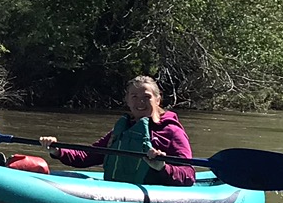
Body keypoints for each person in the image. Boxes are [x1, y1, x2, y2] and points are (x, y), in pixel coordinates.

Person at [40, 74, 195, 186]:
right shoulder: (123, 129)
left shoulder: (172, 132)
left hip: (152, 195)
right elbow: (88, 156)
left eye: (146, 96)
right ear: (127, 100)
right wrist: (58, 150)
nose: (140, 101)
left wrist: (162, 167)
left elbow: (188, 175)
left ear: (157, 99)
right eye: (134, 96)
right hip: (116, 191)